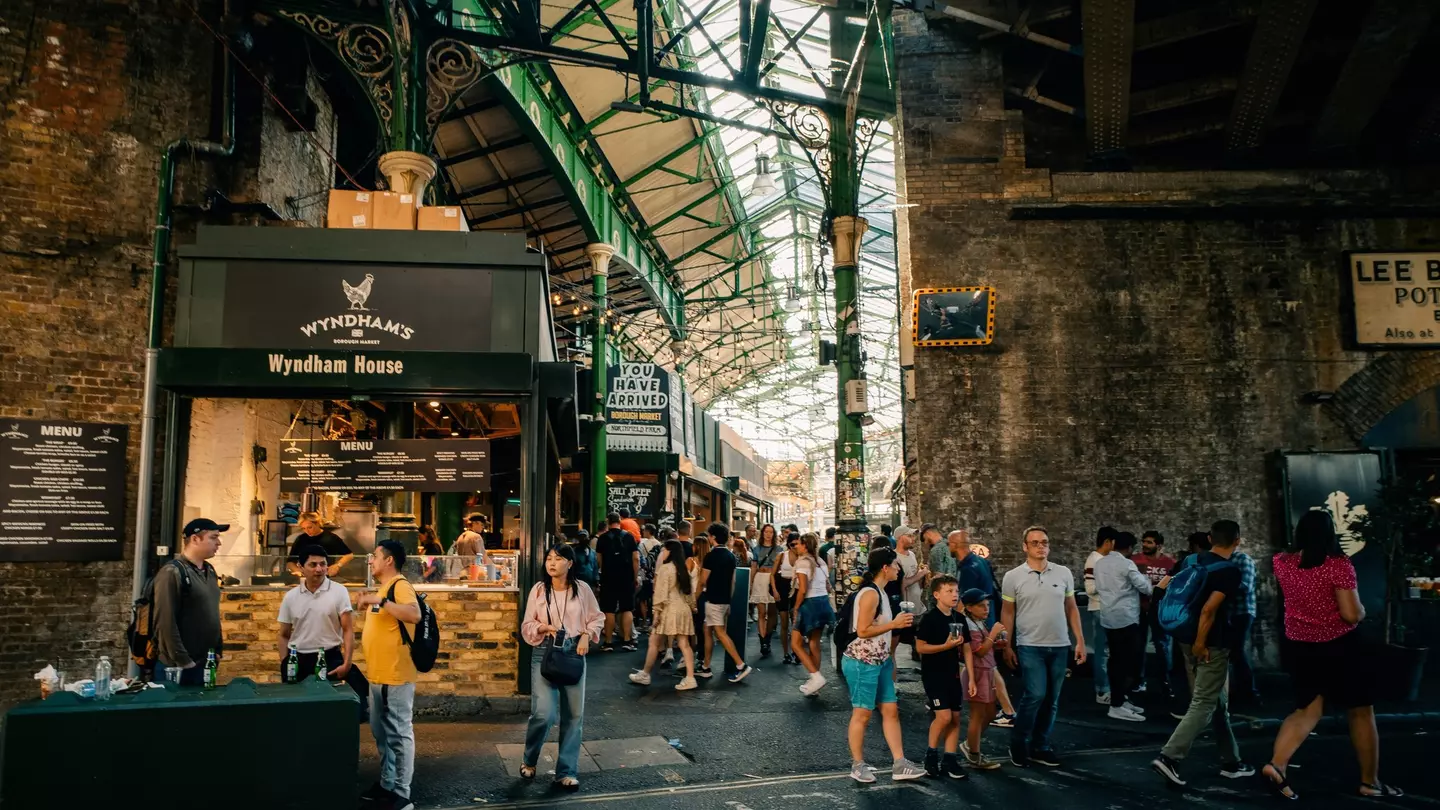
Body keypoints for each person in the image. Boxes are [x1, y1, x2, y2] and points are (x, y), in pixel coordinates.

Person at [1262, 510, 1400, 800]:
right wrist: (1363, 611)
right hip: (1340, 647)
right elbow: (1350, 614)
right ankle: (1370, 782)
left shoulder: (1282, 563)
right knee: (1361, 711)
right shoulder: (1338, 565)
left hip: (1300, 645)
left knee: (1307, 709)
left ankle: (1277, 765)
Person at [1150, 520, 1254, 788]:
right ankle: (1170, 757)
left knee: (1217, 703)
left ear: (1210, 538)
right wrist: (1200, 643)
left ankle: (1232, 762)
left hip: (1184, 635)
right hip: (1210, 643)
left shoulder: (1190, 560)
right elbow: (1209, 610)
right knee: (1205, 703)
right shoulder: (1230, 571)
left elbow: (1162, 587)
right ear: (1237, 541)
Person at [519, 544, 605, 790]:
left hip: (574, 652)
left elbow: (597, 617)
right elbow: (527, 624)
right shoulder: (538, 590)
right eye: (548, 558)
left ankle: (566, 771)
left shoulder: (582, 590)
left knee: (573, 716)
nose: (551, 563)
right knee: (543, 713)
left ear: (570, 563)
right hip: (544, 651)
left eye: (558, 559)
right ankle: (529, 758)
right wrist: (544, 628)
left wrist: (588, 634)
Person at [1001, 526, 1086, 768]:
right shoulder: (1013, 577)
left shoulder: (1063, 573)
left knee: (1052, 699)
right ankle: (1018, 743)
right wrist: (1006, 645)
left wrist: (1079, 640)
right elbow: (1008, 613)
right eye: (1035, 542)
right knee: (1035, 694)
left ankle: (1041, 746)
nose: (1041, 546)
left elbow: (1071, 608)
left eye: (1044, 542)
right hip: (1030, 645)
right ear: (1025, 547)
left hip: (1059, 645)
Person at [841, 548, 926, 783]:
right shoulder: (870, 594)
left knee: (890, 711)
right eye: (896, 565)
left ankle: (900, 763)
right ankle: (857, 765)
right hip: (862, 662)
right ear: (885, 568)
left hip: (881, 660)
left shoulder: (880, 591)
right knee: (863, 714)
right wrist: (894, 624)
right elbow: (862, 630)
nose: (899, 569)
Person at [358, 540, 422, 810]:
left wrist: (381, 600)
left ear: (389, 561)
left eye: (375, 557)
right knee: (382, 734)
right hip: (378, 675)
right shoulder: (385, 589)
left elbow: (414, 614)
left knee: (398, 734)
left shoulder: (400, 586)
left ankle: (402, 795)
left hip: (396, 674)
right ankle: (387, 785)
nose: (371, 561)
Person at [278, 545, 369, 718]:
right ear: (301, 567)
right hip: (298, 659)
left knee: (340, 713)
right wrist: (285, 663)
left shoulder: (339, 591)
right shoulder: (291, 596)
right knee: (300, 715)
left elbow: (348, 630)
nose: (319, 569)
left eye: (323, 564)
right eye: (313, 565)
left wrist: (347, 662)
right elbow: (283, 634)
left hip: (329, 657)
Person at [1094, 532, 1169, 722]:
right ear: (1129, 548)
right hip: (1126, 618)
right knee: (1127, 663)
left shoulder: (1100, 563)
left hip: (1108, 617)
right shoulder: (1127, 564)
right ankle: (1117, 705)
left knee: (1115, 660)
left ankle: (1120, 699)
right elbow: (1145, 588)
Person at [154, 518, 225, 686]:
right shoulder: (172, 572)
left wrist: (218, 649)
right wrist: (183, 660)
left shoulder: (210, 571)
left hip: (205, 662)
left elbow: (212, 612)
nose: (219, 543)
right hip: (179, 667)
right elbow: (165, 622)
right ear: (195, 539)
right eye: (213, 537)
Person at [915, 575, 972, 779]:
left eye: (956, 591)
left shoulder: (960, 618)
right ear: (937, 594)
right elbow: (920, 647)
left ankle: (950, 759)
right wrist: (944, 646)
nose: (954, 595)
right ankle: (931, 755)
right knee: (944, 717)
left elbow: (967, 649)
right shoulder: (930, 619)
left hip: (953, 674)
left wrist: (971, 678)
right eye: (949, 591)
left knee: (955, 718)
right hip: (934, 674)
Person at [629, 540, 698, 691]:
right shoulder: (683, 568)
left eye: (664, 550)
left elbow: (660, 593)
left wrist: (656, 613)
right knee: (684, 644)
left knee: (654, 641)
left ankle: (645, 674)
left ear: (669, 551)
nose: (663, 553)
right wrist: (693, 607)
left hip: (668, 609)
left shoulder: (666, 569)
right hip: (683, 608)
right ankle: (690, 677)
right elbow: (689, 592)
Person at [698, 523, 754, 683]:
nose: (708, 538)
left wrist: (693, 599)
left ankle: (740, 664)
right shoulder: (730, 556)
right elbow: (733, 582)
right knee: (707, 630)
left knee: (720, 633)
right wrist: (728, 602)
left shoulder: (710, 556)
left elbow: (702, 581)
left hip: (713, 600)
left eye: (709, 535)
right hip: (723, 600)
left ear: (713, 537)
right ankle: (706, 667)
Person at [959, 588, 1006, 770]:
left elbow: (986, 648)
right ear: (969, 608)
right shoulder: (970, 626)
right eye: (981, 606)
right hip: (978, 672)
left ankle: (972, 743)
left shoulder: (978, 623)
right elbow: (979, 652)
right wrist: (993, 635)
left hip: (986, 670)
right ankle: (973, 753)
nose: (986, 609)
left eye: (987, 605)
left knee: (990, 713)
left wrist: (996, 642)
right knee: (978, 715)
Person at [1131, 530, 1178, 698]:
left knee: (1162, 646)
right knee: (1137, 645)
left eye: (1149, 542)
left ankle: (1165, 683)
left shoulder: (1170, 563)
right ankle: (1138, 681)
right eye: (1144, 541)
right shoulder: (1135, 561)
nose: (1145, 545)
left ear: (1159, 545)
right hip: (1139, 609)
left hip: (1160, 609)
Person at [790, 531, 836, 696]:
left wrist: (796, 607)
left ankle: (815, 677)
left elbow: (802, 589)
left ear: (804, 545)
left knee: (795, 643)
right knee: (814, 642)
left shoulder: (802, 563)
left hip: (809, 604)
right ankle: (815, 682)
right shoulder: (820, 561)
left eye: (798, 544)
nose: (796, 547)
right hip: (823, 602)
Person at [595, 513, 640, 652]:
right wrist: (635, 575)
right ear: (620, 522)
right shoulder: (629, 537)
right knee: (627, 608)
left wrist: (603, 571)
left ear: (608, 522)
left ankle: (608, 642)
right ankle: (627, 640)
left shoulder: (602, 538)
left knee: (609, 610)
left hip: (608, 577)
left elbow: (599, 559)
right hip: (626, 577)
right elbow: (636, 558)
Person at [1084, 526, 1117, 706]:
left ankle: (1106, 688)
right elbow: (1090, 589)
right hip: (1099, 608)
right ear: (1107, 542)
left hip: (1106, 609)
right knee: (1102, 652)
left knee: (1106, 652)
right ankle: (1102, 690)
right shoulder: (1094, 560)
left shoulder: (1101, 560)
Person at [1228, 541, 1261, 706]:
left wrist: (1219, 588)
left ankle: (1250, 693)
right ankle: (1240, 691)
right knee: (1233, 652)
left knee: (1237, 651)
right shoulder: (1223, 561)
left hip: (1243, 611)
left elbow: (1245, 586)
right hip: (1230, 612)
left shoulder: (1242, 559)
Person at [286, 511, 353, 577]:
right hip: (307, 577)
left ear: (317, 524)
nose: (307, 531)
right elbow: (290, 561)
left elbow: (349, 555)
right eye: (304, 528)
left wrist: (337, 565)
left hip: (326, 576)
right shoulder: (301, 539)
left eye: (310, 527)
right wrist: (297, 570)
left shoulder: (331, 538)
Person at [750, 524, 781, 658]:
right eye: (766, 532)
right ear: (762, 534)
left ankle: (767, 638)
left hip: (773, 579)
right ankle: (763, 641)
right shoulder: (756, 549)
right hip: (760, 578)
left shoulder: (779, 549)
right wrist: (751, 583)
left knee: (772, 613)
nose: (768, 534)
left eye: (771, 532)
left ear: (774, 534)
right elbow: (754, 567)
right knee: (761, 612)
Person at [772, 529, 798, 664]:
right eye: (792, 544)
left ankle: (796, 651)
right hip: (782, 587)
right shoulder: (782, 556)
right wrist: (775, 591)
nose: (795, 547)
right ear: (788, 545)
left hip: (796, 588)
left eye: (797, 544)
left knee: (795, 622)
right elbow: (772, 574)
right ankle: (786, 652)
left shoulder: (802, 557)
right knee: (784, 623)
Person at [895, 527, 928, 612]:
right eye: (909, 536)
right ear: (899, 538)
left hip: (918, 604)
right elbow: (902, 583)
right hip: (907, 608)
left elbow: (914, 576)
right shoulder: (895, 558)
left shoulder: (912, 554)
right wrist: (921, 574)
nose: (913, 539)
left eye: (913, 536)